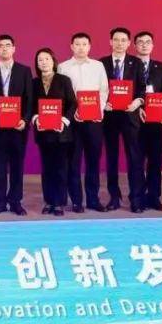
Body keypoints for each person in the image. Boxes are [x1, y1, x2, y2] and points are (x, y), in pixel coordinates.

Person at [57, 32, 109, 212]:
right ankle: (76, 201)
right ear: (71, 46)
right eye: (77, 44)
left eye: (84, 44)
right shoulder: (63, 67)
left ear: (89, 46)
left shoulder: (98, 66)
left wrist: (97, 109)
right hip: (73, 121)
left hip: (94, 120)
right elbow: (61, 94)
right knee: (73, 162)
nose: (81, 47)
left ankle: (93, 199)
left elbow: (104, 90)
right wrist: (73, 112)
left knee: (93, 161)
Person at [99, 27, 146, 213]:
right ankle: (114, 197)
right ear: (110, 42)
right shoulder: (101, 63)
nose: (119, 43)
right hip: (110, 116)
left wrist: (138, 101)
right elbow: (98, 88)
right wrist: (103, 103)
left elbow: (142, 88)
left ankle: (136, 198)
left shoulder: (137, 63)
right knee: (111, 158)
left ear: (128, 43)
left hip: (130, 116)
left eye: (123, 40)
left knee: (134, 158)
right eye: (116, 40)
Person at [0, 34, 34, 215]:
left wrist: (25, 120)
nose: (4, 48)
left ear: (14, 48)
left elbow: (29, 99)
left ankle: (15, 202)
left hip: (17, 127)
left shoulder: (24, 71)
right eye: (1, 45)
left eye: (8, 45)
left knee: (17, 166)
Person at [30, 48, 75, 216]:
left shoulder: (64, 80)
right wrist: (36, 118)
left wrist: (64, 121)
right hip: (43, 132)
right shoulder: (34, 83)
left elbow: (72, 103)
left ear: (53, 61)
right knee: (47, 168)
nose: (44, 62)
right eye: (40, 60)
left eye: (47, 59)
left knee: (61, 168)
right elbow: (30, 105)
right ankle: (48, 201)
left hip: (61, 132)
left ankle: (59, 202)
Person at [134, 31, 162, 211]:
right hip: (136, 120)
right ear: (135, 45)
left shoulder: (161, 67)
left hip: (157, 121)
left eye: (148, 42)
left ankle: (154, 197)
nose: (144, 45)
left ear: (152, 45)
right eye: (140, 42)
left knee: (155, 161)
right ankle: (138, 197)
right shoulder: (129, 65)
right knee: (137, 161)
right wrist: (137, 108)